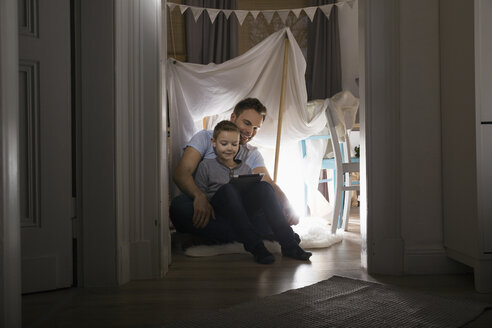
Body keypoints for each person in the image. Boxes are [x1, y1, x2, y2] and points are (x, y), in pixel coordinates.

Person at [170, 98, 299, 247]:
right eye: (247, 123)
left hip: (237, 212)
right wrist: (199, 196)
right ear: (233, 117)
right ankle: (252, 234)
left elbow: (268, 183)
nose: (250, 132)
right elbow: (181, 173)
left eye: (256, 128)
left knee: (270, 210)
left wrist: (287, 205)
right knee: (178, 207)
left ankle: (219, 235)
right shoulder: (205, 138)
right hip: (205, 206)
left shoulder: (252, 154)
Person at [193, 120, 311, 264]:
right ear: (214, 143)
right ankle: (255, 246)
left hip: (242, 211)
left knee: (264, 186)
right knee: (229, 189)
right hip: (219, 209)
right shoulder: (206, 166)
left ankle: (289, 244)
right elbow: (200, 194)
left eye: (234, 144)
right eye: (224, 144)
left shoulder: (246, 168)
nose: (229, 148)